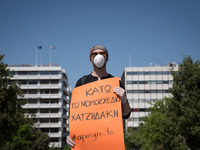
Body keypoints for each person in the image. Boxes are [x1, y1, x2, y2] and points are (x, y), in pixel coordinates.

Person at [67, 45, 131, 148]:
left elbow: (126, 114)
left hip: (110, 143)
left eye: (102, 53)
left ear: (107, 58)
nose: (98, 56)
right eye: (95, 54)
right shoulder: (82, 82)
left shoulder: (116, 83)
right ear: (91, 58)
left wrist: (124, 99)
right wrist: (70, 136)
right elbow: (75, 116)